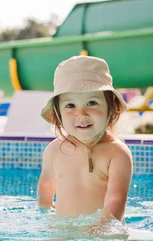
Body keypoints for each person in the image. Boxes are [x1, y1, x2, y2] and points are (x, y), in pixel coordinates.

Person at [37, 55, 133, 223]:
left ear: (111, 109)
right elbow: (46, 185)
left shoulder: (117, 153)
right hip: (63, 228)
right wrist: (44, 214)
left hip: (104, 230)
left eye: (92, 103)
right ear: (58, 114)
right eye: (70, 106)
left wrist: (99, 230)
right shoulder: (54, 150)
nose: (81, 114)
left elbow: (116, 200)